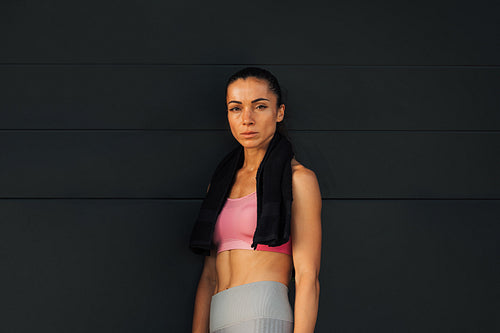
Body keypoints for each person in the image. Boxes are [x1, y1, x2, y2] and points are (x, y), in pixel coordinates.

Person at [190, 67, 322, 333]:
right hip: (219, 315)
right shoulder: (218, 185)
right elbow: (208, 276)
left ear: (279, 112)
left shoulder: (298, 180)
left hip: (261, 315)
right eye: (236, 108)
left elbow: (308, 277)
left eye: (260, 106)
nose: (247, 119)